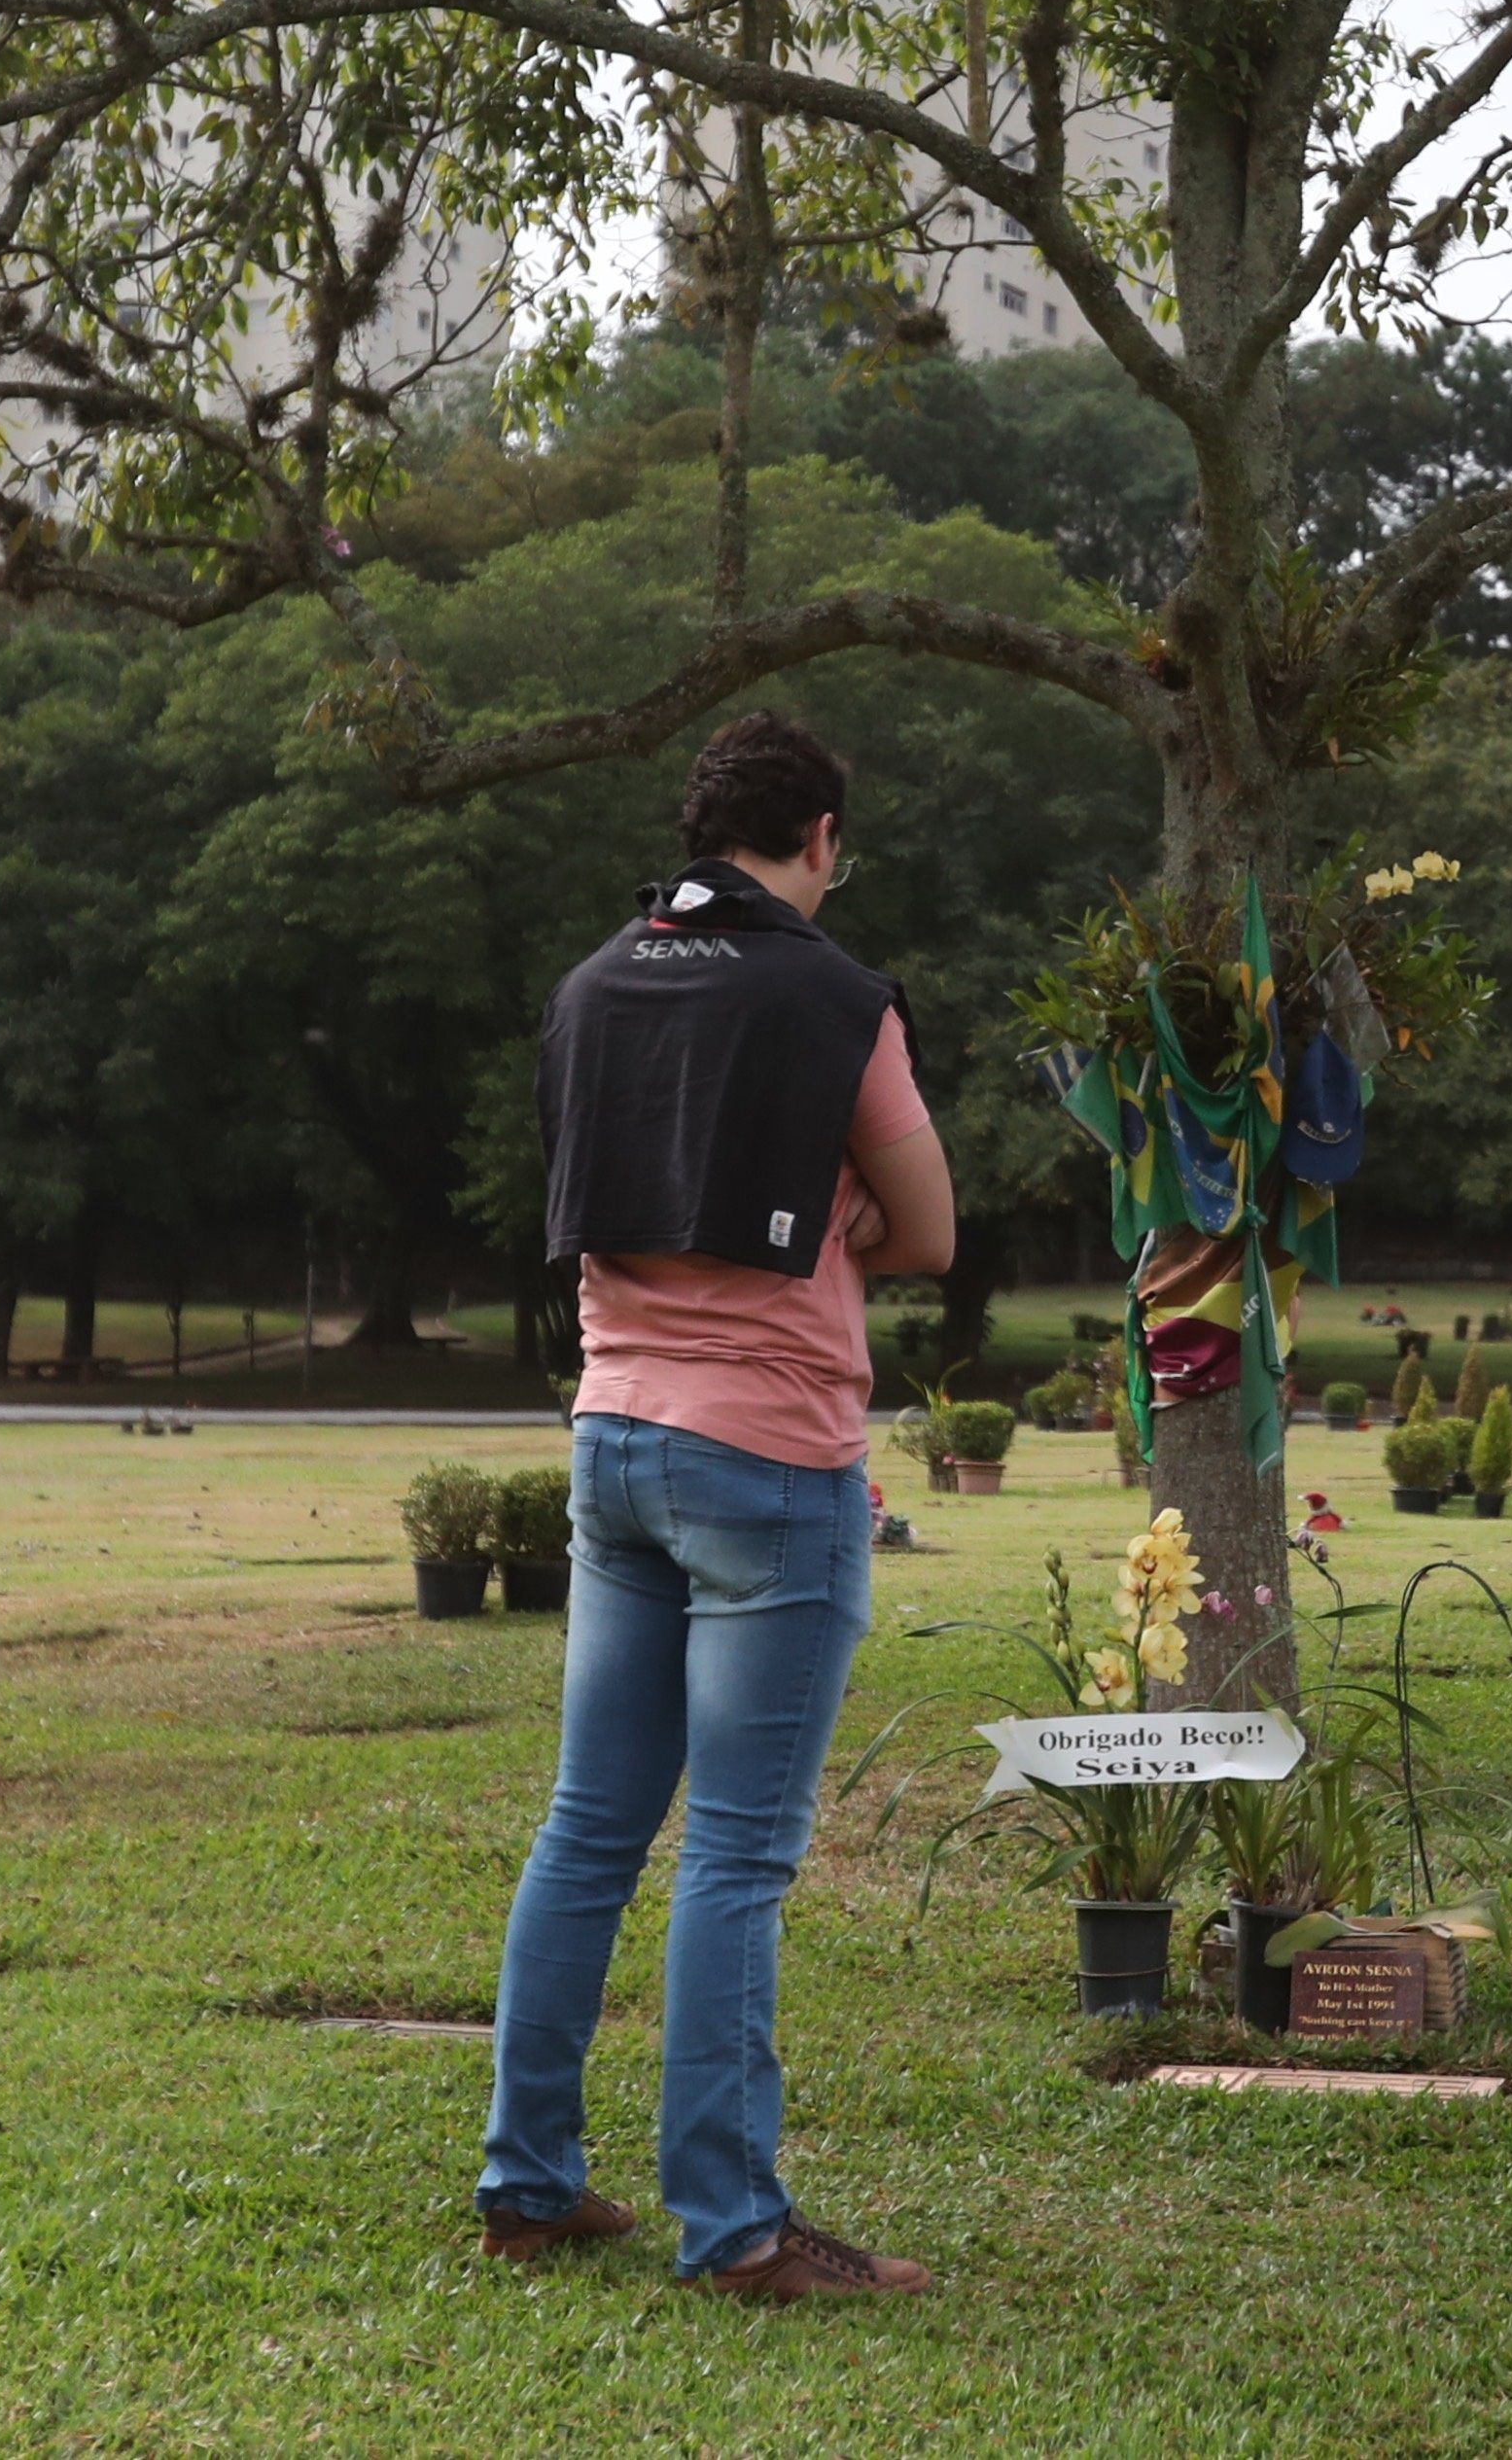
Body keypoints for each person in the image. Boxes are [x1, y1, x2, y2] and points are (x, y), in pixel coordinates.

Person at [475, 711, 957, 2301]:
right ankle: (736, 2225)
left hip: (613, 1438)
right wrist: (839, 1229)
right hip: (770, 1457)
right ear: (821, 837)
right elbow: (931, 1229)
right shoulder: (836, 998)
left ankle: (529, 2183)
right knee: (736, 1855)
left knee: (588, 1827)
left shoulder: (591, 985)